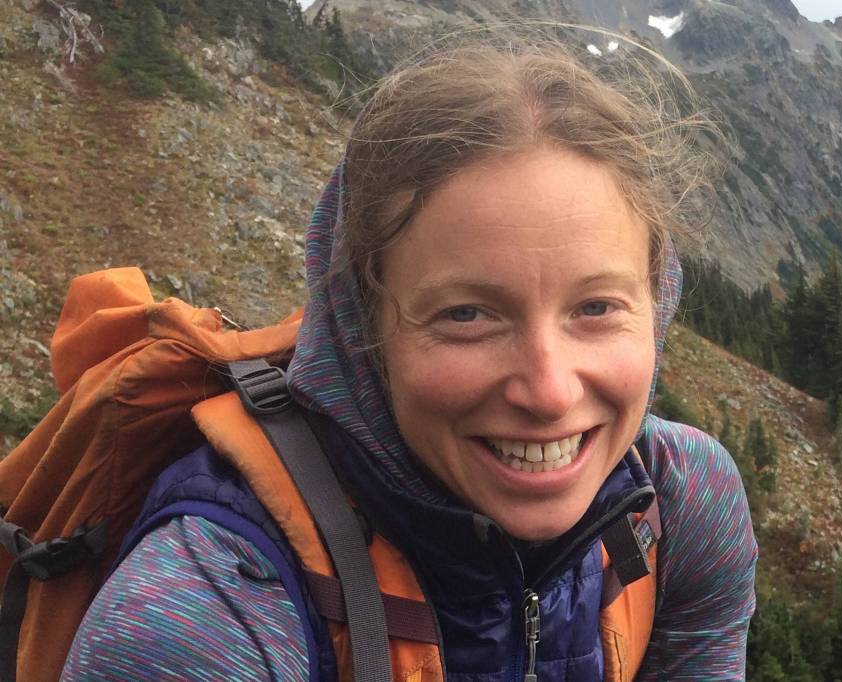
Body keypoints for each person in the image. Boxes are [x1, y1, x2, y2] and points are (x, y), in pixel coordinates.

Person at [61, 32, 757, 681]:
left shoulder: (682, 499)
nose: (549, 392)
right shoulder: (205, 620)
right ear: (361, 328)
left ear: (658, 303)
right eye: (467, 315)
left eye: (597, 307)